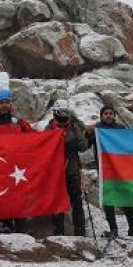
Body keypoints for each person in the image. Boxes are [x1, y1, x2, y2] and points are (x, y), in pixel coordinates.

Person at [0, 88, 35, 233]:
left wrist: (55, 135)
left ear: (10, 103)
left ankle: (21, 225)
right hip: (1, 165)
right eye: (1, 102)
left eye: (6, 102)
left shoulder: (19, 121)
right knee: (3, 195)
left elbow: (35, 137)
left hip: (18, 166)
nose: (4, 105)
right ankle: (6, 225)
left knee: (20, 195)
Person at [86, 106, 133, 237]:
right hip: (104, 170)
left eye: (110, 113)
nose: (108, 115)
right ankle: (113, 229)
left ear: (114, 115)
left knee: (126, 198)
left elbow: (128, 145)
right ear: (101, 116)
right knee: (109, 200)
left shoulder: (121, 129)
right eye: (105, 113)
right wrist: (87, 133)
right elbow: (86, 145)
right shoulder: (96, 129)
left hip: (120, 169)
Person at [46, 99, 89, 236]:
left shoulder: (74, 127)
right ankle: (59, 232)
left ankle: (80, 233)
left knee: (76, 201)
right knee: (57, 201)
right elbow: (42, 147)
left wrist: (74, 142)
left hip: (72, 170)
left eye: (66, 113)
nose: (63, 116)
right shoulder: (49, 128)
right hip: (55, 172)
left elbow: (83, 146)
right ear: (55, 113)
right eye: (61, 113)